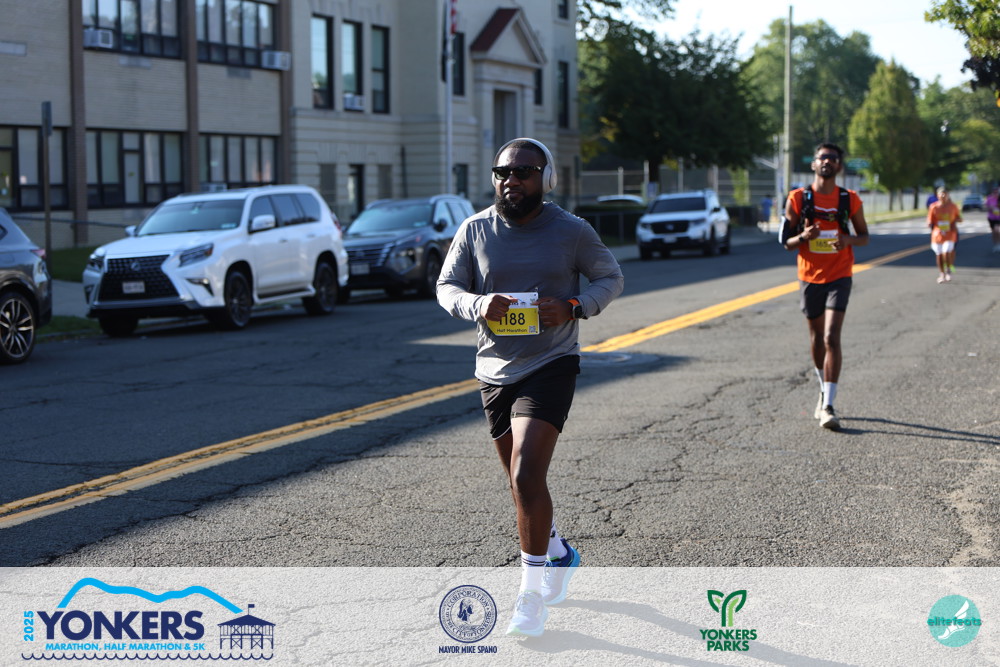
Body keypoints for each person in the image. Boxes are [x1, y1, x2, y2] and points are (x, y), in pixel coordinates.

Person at [437, 138, 624, 638]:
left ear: (546, 178)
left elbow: (610, 278)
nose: (511, 180)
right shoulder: (475, 229)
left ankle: (531, 596)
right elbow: (446, 287)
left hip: (551, 362)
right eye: (503, 172)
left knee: (524, 475)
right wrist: (478, 304)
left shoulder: (571, 230)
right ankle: (558, 552)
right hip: (494, 370)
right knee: (521, 484)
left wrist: (575, 307)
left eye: (523, 171)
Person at [780, 143, 869, 431]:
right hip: (809, 276)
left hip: (840, 274)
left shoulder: (849, 199)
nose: (827, 161)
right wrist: (804, 236)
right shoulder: (798, 198)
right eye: (823, 157)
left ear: (839, 166)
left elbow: (864, 236)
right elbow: (786, 242)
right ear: (814, 164)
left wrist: (848, 240)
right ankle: (822, 389)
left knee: (831, 336)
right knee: (817, 338)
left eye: (833, 158)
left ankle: (829, 405)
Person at [927, 187, 962, 283]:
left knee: (946, 252)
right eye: (941, 194)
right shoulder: (933, 207)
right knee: (939, 254)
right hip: (937, 234)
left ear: (948, 195)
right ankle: (942, 273)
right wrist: (929, 223)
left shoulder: (953, 206)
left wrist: (954, 221)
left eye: (945, 194)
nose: (943, 196)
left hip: (950, 233)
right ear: (937, 196)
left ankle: (948, 271)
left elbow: (959, 218)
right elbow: (929, 219)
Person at [986, 187, 1000, 252]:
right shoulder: (989, 198)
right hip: (991, 217)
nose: (995, 194)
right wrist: (990, 208)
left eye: (997, 192)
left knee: (997, 230)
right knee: (994, 232)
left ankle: (999, 244)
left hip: (998, 218)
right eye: (994, 192)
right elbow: (986, 207)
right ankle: (996, 244)